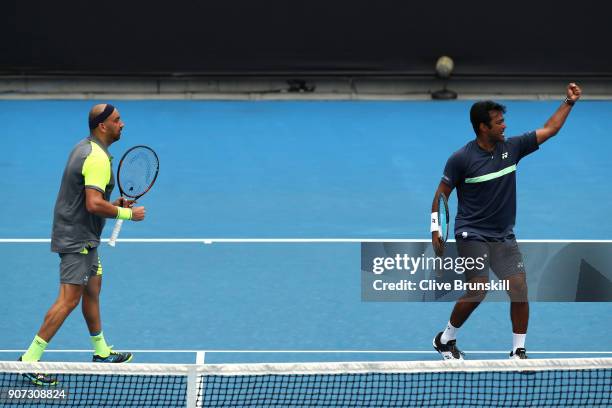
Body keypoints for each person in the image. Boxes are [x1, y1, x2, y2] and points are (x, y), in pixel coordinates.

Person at [431, 84, 582, 360]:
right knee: (478, 289)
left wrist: (568, 102)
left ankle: (517, 350)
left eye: (503, 121)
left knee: (519, 288)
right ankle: (445, 339)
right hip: (471, 233)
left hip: (502, 235)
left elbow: (550, 130)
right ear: (482, 127)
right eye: (499, 122)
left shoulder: (512, 148)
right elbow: (442, 194)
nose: (504, 126)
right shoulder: (461, 159)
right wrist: (435, 228)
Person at [19, 104, 146, 385]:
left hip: (83, 235)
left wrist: (112, 205)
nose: (122, 124)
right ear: (102, 126)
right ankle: (29, 359)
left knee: (93, 288)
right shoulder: (97, 158)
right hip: (77, 239)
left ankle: (101, 352)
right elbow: (91, 203)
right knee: (68, 300)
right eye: (117, 120)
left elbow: (88, 200)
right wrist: (126, 213)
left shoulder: (84, 148)